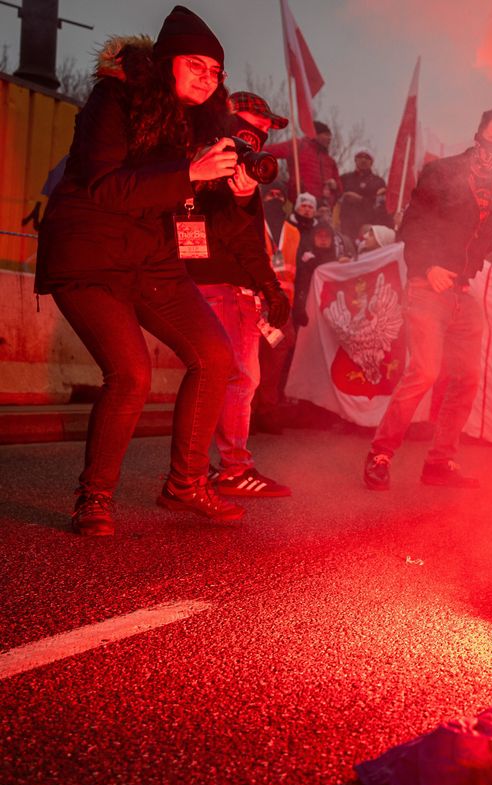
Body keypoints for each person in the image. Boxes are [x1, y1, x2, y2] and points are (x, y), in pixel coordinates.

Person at [34, 5, 245, 535]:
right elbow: (106, 185)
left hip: (151, 258)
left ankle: (185, 485)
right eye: (196, 64)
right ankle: (95, 498)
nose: (207, 77)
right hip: (88, 254)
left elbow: (188, 203)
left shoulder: (197, 124)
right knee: (131, 374)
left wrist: (233, 191)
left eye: (216, 71)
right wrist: (189, 172)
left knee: (216, 356)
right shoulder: (116, 96)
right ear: (168, 60)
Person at [363, 108, 492, 490]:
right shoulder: (442, 173)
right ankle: (380, 455)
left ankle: (440, 462)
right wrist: (427, 267)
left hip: (462, 291)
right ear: (477, 135)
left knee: (467, 377)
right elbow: (414, 224)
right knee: (424, 370)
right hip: (428, 286)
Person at [186, 90, 293, 498]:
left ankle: (202, 470)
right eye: (254, 125)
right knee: (240, 377)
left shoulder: (227, 164)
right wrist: (267, 285)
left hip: (216, 279)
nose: (260, 135)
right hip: (225, 282)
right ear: (232, 118)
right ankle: (233, 469)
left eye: (266, 130)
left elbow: (231, 230)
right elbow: (232, 232)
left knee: (226, 375)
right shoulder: (219, 156)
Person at [265, 119, 340, 199]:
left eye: (330, 135)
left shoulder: (330, 161)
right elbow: (268, 151)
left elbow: (340, 189)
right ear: (316, 134)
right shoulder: (298, 146)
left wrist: (335, 185)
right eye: (326, 134)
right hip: (301, 202)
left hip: (324, 206)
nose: (330, 138)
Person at [340, 149, 386, 237]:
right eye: (360, 157)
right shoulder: (344, 178)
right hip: (347, 222)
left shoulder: (379, 181)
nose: (363, 160)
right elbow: (337, 199)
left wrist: (361, 200)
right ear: (355, 160)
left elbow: (380, 205)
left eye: (367, 158)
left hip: (369, 222)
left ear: (371, 162)